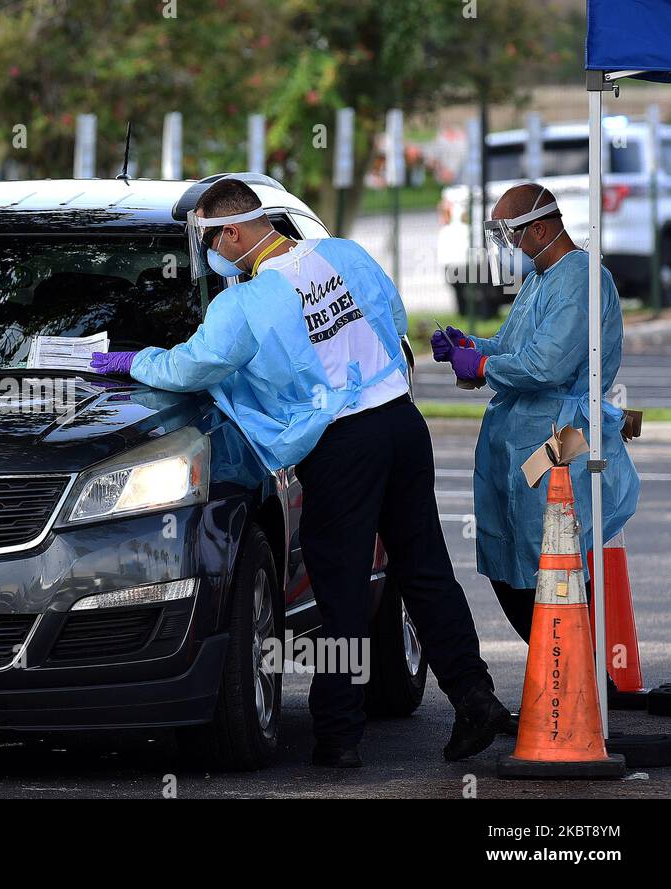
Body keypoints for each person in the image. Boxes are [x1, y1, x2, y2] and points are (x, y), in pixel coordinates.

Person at [92, 178, 510, 767]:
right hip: (401, 423)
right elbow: (393, 318)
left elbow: (192, 366)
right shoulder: (346, 254)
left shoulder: (244, 303)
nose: (209, 254)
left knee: (339, 588)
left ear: (231, 233)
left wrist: (128, 360)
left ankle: (339, 736)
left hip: (342, 446)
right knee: (425, 568)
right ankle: (475, 697)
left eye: (209, 240)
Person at [433, 183, 640, 649]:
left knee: (551, 553)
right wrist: (469, 347)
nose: (508, 245)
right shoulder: (539, 279)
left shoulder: (580, 278)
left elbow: (547, 365)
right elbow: (514, 347)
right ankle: (561, 669)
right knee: (511, 552)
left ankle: (571, 671)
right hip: (525, 432)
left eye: (511, 234)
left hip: (562, 434)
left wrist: (483, 366)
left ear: (541, 228)